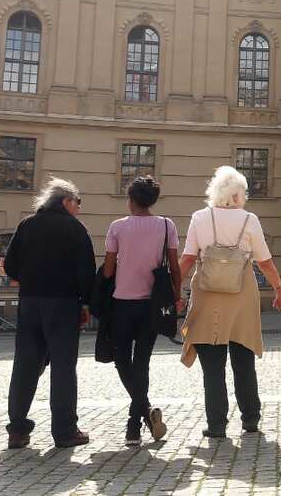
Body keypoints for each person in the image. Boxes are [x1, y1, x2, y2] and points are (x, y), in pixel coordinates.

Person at [180, 166, 281, 438]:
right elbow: (264, 261)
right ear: (239, 194)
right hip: (242, 295)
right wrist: (279, 289)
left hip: (207, 295)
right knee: (243, 360)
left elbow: (188, 258)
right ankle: (250, 419)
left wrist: (172, 289)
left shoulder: (199, 217)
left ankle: (216, 424)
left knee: (212, 366)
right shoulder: (249, 219)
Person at [4, 177, 96, 449]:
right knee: (63, 368)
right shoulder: (75, 228)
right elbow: (86, 273)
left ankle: (17, 430)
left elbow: (10, 266)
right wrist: (86, 303)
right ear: (66, 201)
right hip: (64, 304)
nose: (79, 208)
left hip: (30, 303)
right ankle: (65, 431)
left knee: (25, 366)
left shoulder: (27, 224)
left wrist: (30, 278)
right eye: (77, 202)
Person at [102, 176, 182, 445]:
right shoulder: (166, 225)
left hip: (122, 302)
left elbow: (109, 269)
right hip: (152, 305)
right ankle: (138, 420)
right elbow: (174, 266)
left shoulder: (117, 227)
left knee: (122, 360)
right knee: (143, 363)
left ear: (131, 200)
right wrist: (178, 295)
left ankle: (138, 420)